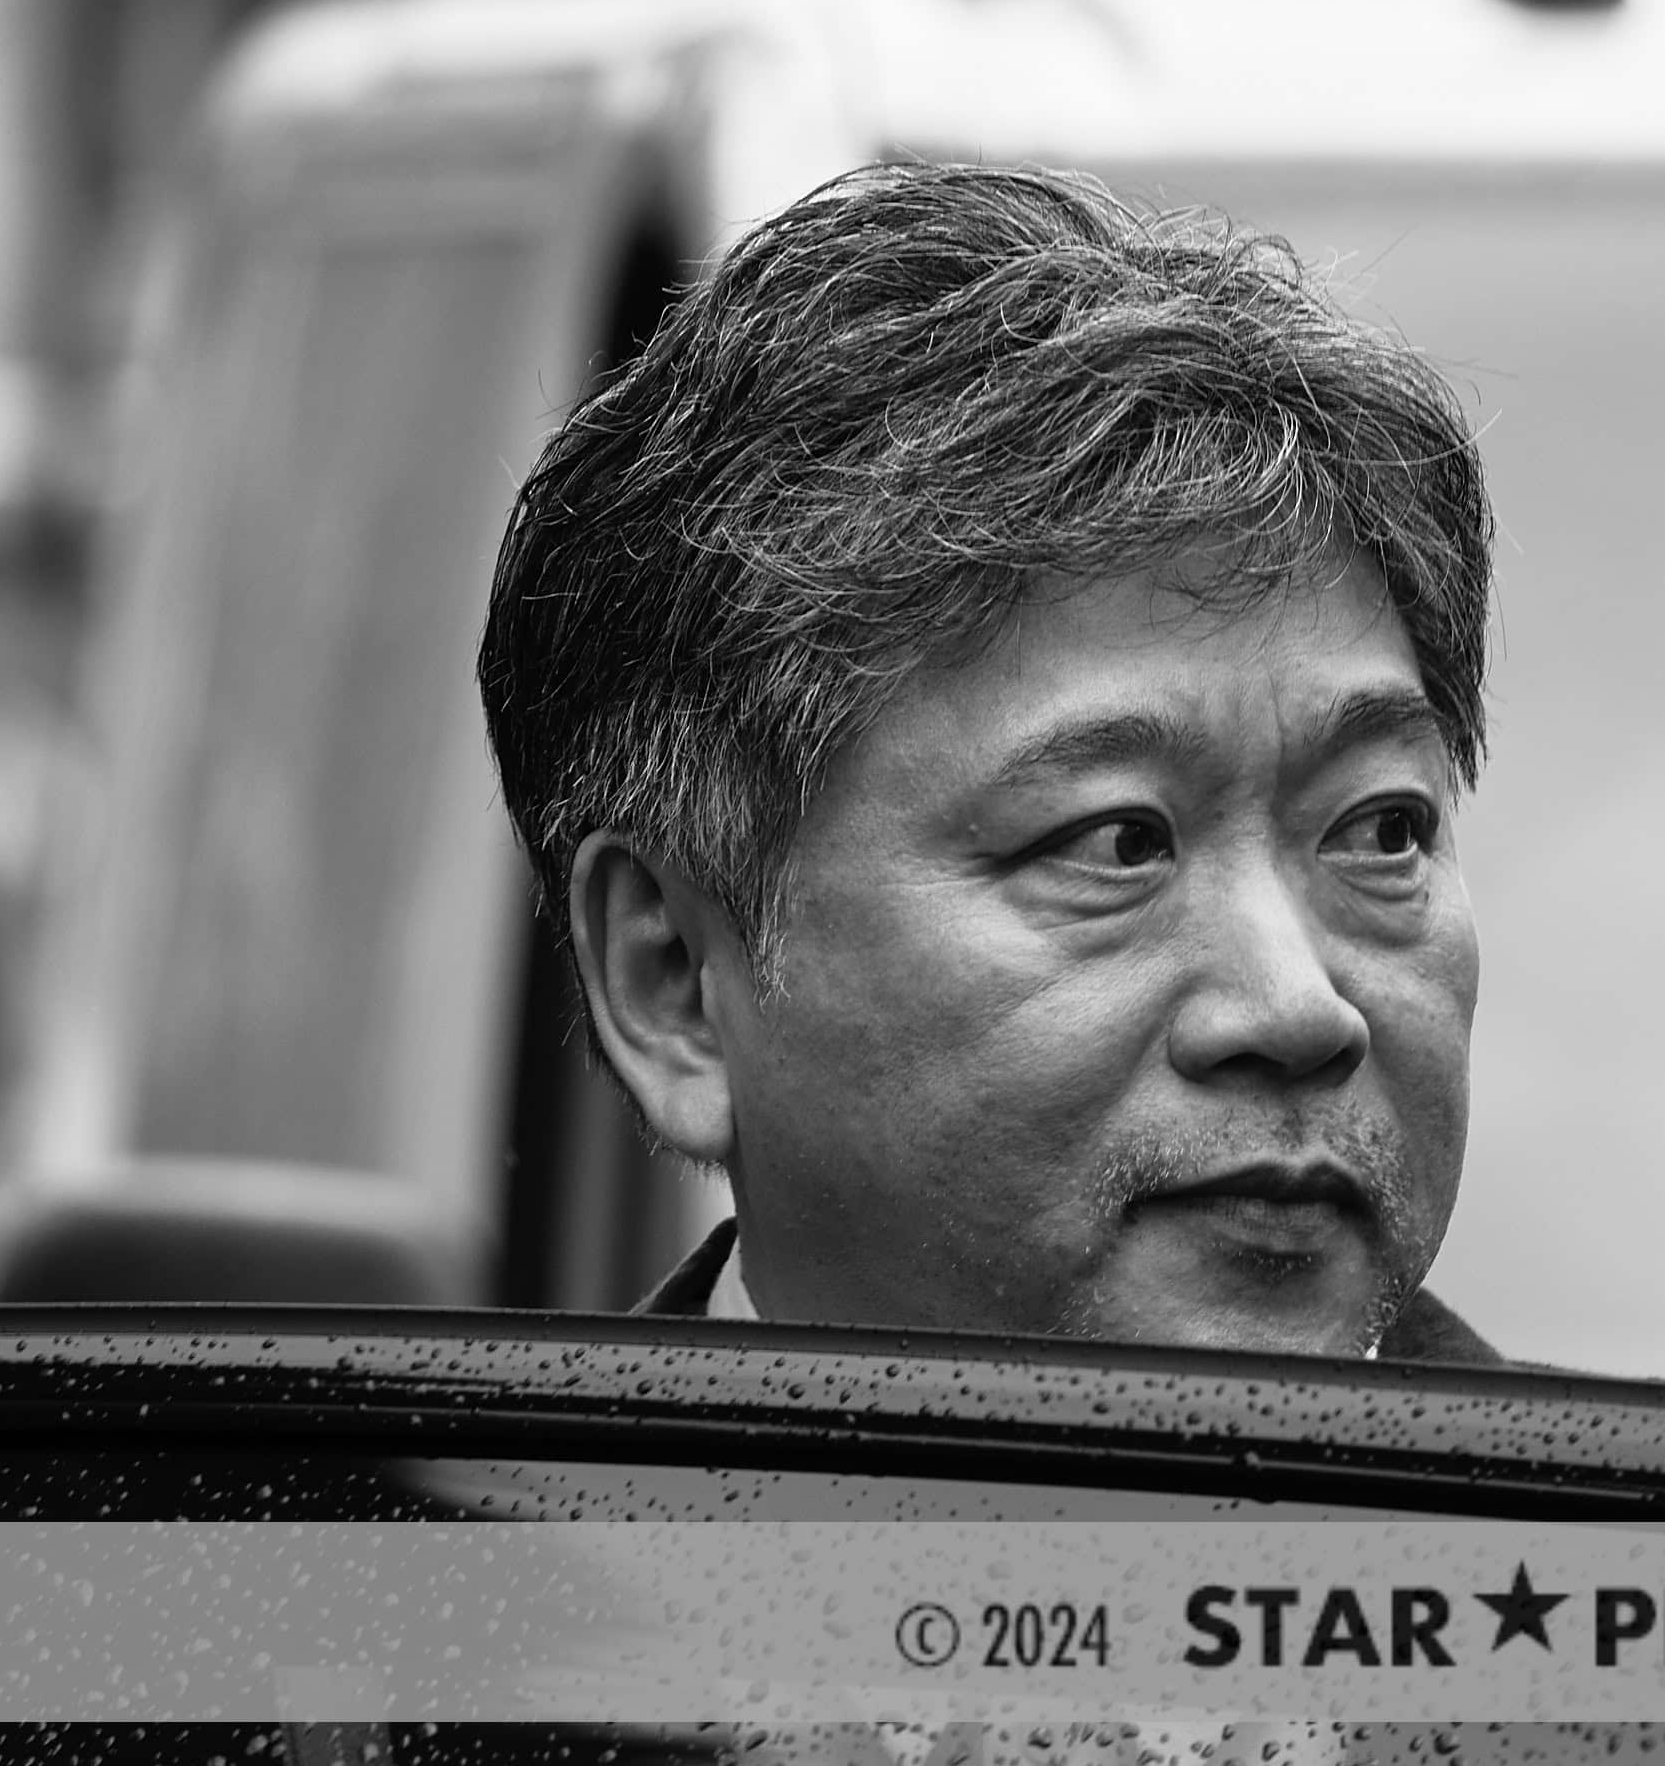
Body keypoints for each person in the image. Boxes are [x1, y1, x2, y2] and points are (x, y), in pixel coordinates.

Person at [478, 160, 1499, 1364]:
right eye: (1116, 842)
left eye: (1381, 830)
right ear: (673, 984)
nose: (1295, 1010)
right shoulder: (390, 1548)